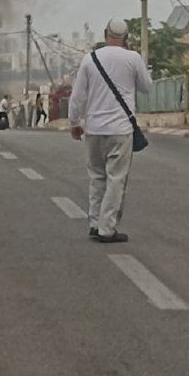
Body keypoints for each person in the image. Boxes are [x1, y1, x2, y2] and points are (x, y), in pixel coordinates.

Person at [68, 18, 152, 243]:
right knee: (116, 179)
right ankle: (107, 228)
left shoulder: (90, 59)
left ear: (105, 33)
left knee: (96, 177)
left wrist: (74, 123)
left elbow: (77, 97)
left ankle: (95, 223)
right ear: (126, 38)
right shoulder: (133, 58)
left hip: (94, 129)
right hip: (120, 129)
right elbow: (147, 87)